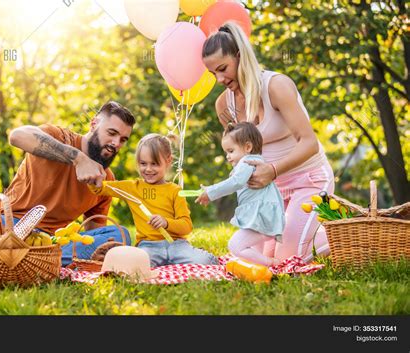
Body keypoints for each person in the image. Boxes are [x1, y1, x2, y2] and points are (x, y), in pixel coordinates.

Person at [0, 101, 136, 286]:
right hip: (4, 229)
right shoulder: (58, 137)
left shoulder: (105, 179)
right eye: (111, 133)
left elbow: (91, 233)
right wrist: (77, 158)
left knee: (121, 234)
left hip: (49, 245)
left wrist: (99, 253)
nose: (116, 143)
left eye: (123, 139)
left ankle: (21, 260)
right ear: (93, 124)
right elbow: (17, 136)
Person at [202, 22, 335, 263]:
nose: (219, 79)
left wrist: (272, 171)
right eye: (213, 74)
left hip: (310, 180)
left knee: (287, 260)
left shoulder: (276, 86)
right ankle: (308, 233)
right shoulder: (224, 105)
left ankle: (333, 236)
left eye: (223, 68)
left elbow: (310, 143)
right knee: (264, 258)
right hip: (271, 195)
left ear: (240, 57)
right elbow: (241, 156)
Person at [88, 133, 218, 267]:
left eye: (154, 164)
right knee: (135, 266)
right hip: (148, 246)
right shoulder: (132, 188)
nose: (148, 169)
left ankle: (193, 254)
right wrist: (92, 178)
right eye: (143, 164)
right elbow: (101, 188)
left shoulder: (175, 190)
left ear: (168, 161)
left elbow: (186, 226)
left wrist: (166, 223)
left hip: (177, 245)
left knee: (207, 262)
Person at [195, 122, 285, 266]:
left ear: (247, 147)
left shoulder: (248, 161)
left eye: (230, 151)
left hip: (260, 216)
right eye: (226, 153)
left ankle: (272, 263)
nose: (227, 157)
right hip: (261, 215)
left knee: (235, 245)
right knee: (254, 251)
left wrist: (210, 192)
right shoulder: (251, 162)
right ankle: (259, 268)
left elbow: (235, 182)